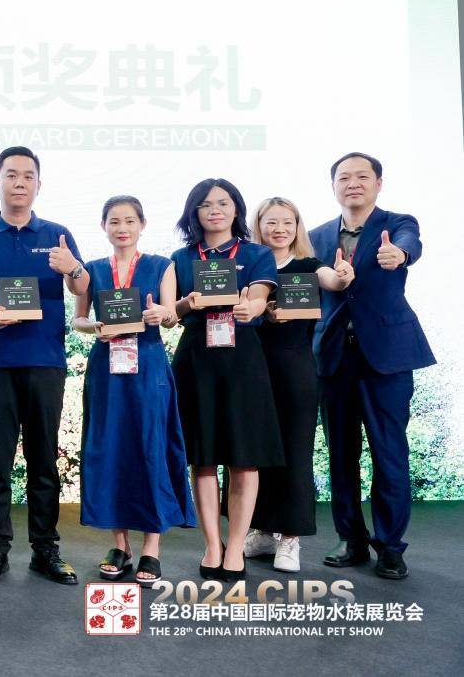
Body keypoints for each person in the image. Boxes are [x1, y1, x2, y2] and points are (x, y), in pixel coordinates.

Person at [0, 146, 89, 586]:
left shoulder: (58, 234)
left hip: (45, 359)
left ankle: (45, 550)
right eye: (11, 175)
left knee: (43, 458)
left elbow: (82, 288)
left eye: (28, 176)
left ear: (38, 185)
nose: (20, 182)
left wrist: (73, 267)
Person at [309, 152, 435, 580]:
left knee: (389, 451)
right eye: (344, 177)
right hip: (333, 358)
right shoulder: (315, 236)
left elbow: (410, 244)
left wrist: (398, 255)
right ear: (333, 186)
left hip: (387, 358)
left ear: (379, 183)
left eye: (362, 176)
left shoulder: (398, 224)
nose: (353, 183)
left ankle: (391, 547)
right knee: (340, 454)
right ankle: (351, 538)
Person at [72, 196, 194, 585]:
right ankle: (120, 546)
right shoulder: (91, 270)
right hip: (107, 369)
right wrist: (95, 327)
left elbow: (172, 315)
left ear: (142, 224)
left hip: (148, 367)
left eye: (129, 220)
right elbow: (78, 319)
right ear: (103, 226)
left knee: (151, 448)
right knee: (111, 451)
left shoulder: (162, 265)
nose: (122, 228)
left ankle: (151, 549)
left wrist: (163, 313)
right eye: (114, 221)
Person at [170, 179, 284, 582]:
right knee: (202, 458)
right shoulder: (181, 258)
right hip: (196, 359)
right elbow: (170, 313)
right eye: (205, 204)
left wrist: (251, 305)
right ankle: (212, 545)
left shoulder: (256, 254)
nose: (214, 210)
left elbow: (260, 295)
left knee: (243, 458)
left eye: (223, 202)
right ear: (194, 213)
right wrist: (186, 304)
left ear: (236, 209)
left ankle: (235, 546)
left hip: (242, 360)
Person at [242, 197, 353, 573]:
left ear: (297, 226)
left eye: (287, 222)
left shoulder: (309, 265)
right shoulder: (250, 266)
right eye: (271, 222)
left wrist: (342, 276)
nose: (280, 229)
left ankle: (290, 538)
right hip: (252, 369)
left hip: (296, 370)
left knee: (295, 451)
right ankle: (259, 530)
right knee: (254, 453)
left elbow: (332, 280)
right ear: (258, 225)